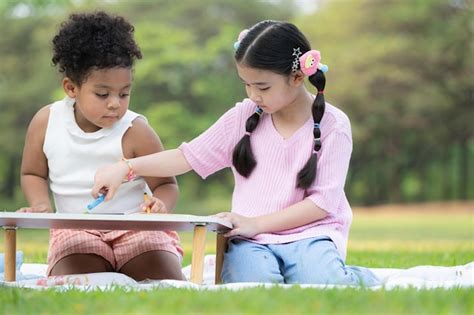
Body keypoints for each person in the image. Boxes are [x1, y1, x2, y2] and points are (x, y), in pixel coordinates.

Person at [92, 20, 379, 286]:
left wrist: (257, 223)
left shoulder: (333, 125)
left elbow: (322, 203)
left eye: (263, 87)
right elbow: (186, 157)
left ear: (296, 76)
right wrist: (127, 167)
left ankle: (356, 277)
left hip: (310, 234)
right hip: (250, 239)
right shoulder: (244, 116)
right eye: (247, 84)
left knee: (325, 284)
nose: (253, 95)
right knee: (250, 286)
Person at [18, 11, 184, 281]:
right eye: (103, 94)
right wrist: (40, 204)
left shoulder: (136, 130)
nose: (115, 103)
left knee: (164, 283)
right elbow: (33, 173)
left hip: (136, 228)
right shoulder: (46, 122)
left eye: (125, 93)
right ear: (71, 88)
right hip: (76, 229)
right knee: (77, 284)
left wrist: (160, 204)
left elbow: (166, 183)